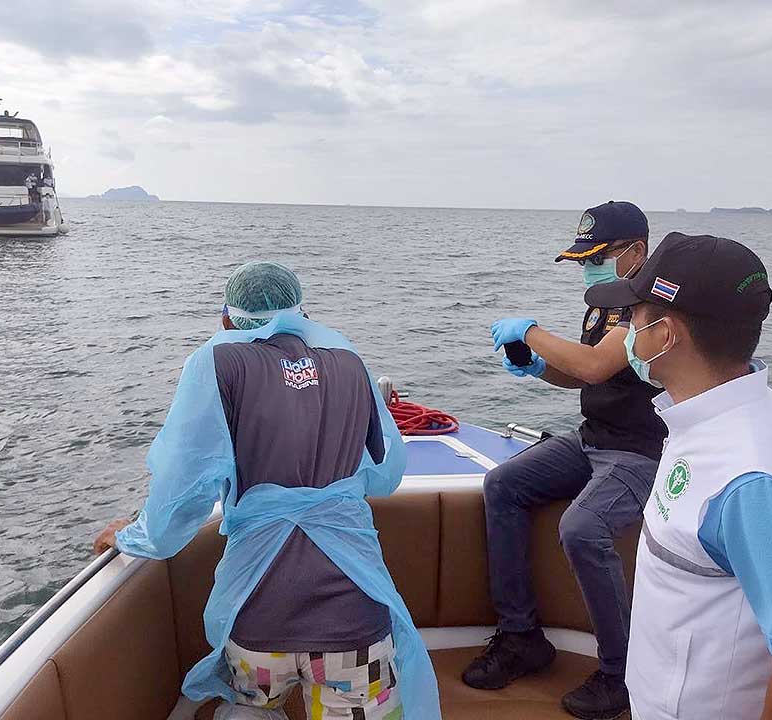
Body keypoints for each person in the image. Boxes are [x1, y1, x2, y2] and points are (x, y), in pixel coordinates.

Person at [93, 261, 439, 720]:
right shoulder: (349, 362)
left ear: (226, 320)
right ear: (303, 315)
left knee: (251, 711)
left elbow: (180, 494)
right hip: (355, 621)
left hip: (258, 622)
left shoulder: (217, 363)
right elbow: (384, 474)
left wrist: (129, 536)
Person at [585, 232, 772, 719]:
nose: (626, 330)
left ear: (664, 334)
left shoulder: (751, 480)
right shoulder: (719, 412)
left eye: (633, 316)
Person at [462, 201, 667, 719]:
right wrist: (537, 368)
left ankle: (623, 673)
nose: (589, 268)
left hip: (639, 451)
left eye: (598, 257)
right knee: (503, 485)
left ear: (637, 252)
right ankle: (521, 637)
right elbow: (582, 376)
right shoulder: (603, 307)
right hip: (593, 438)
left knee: (582, 528)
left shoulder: (651, 310)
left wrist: (531, 332)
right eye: (583, 261)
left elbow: (596, 365)